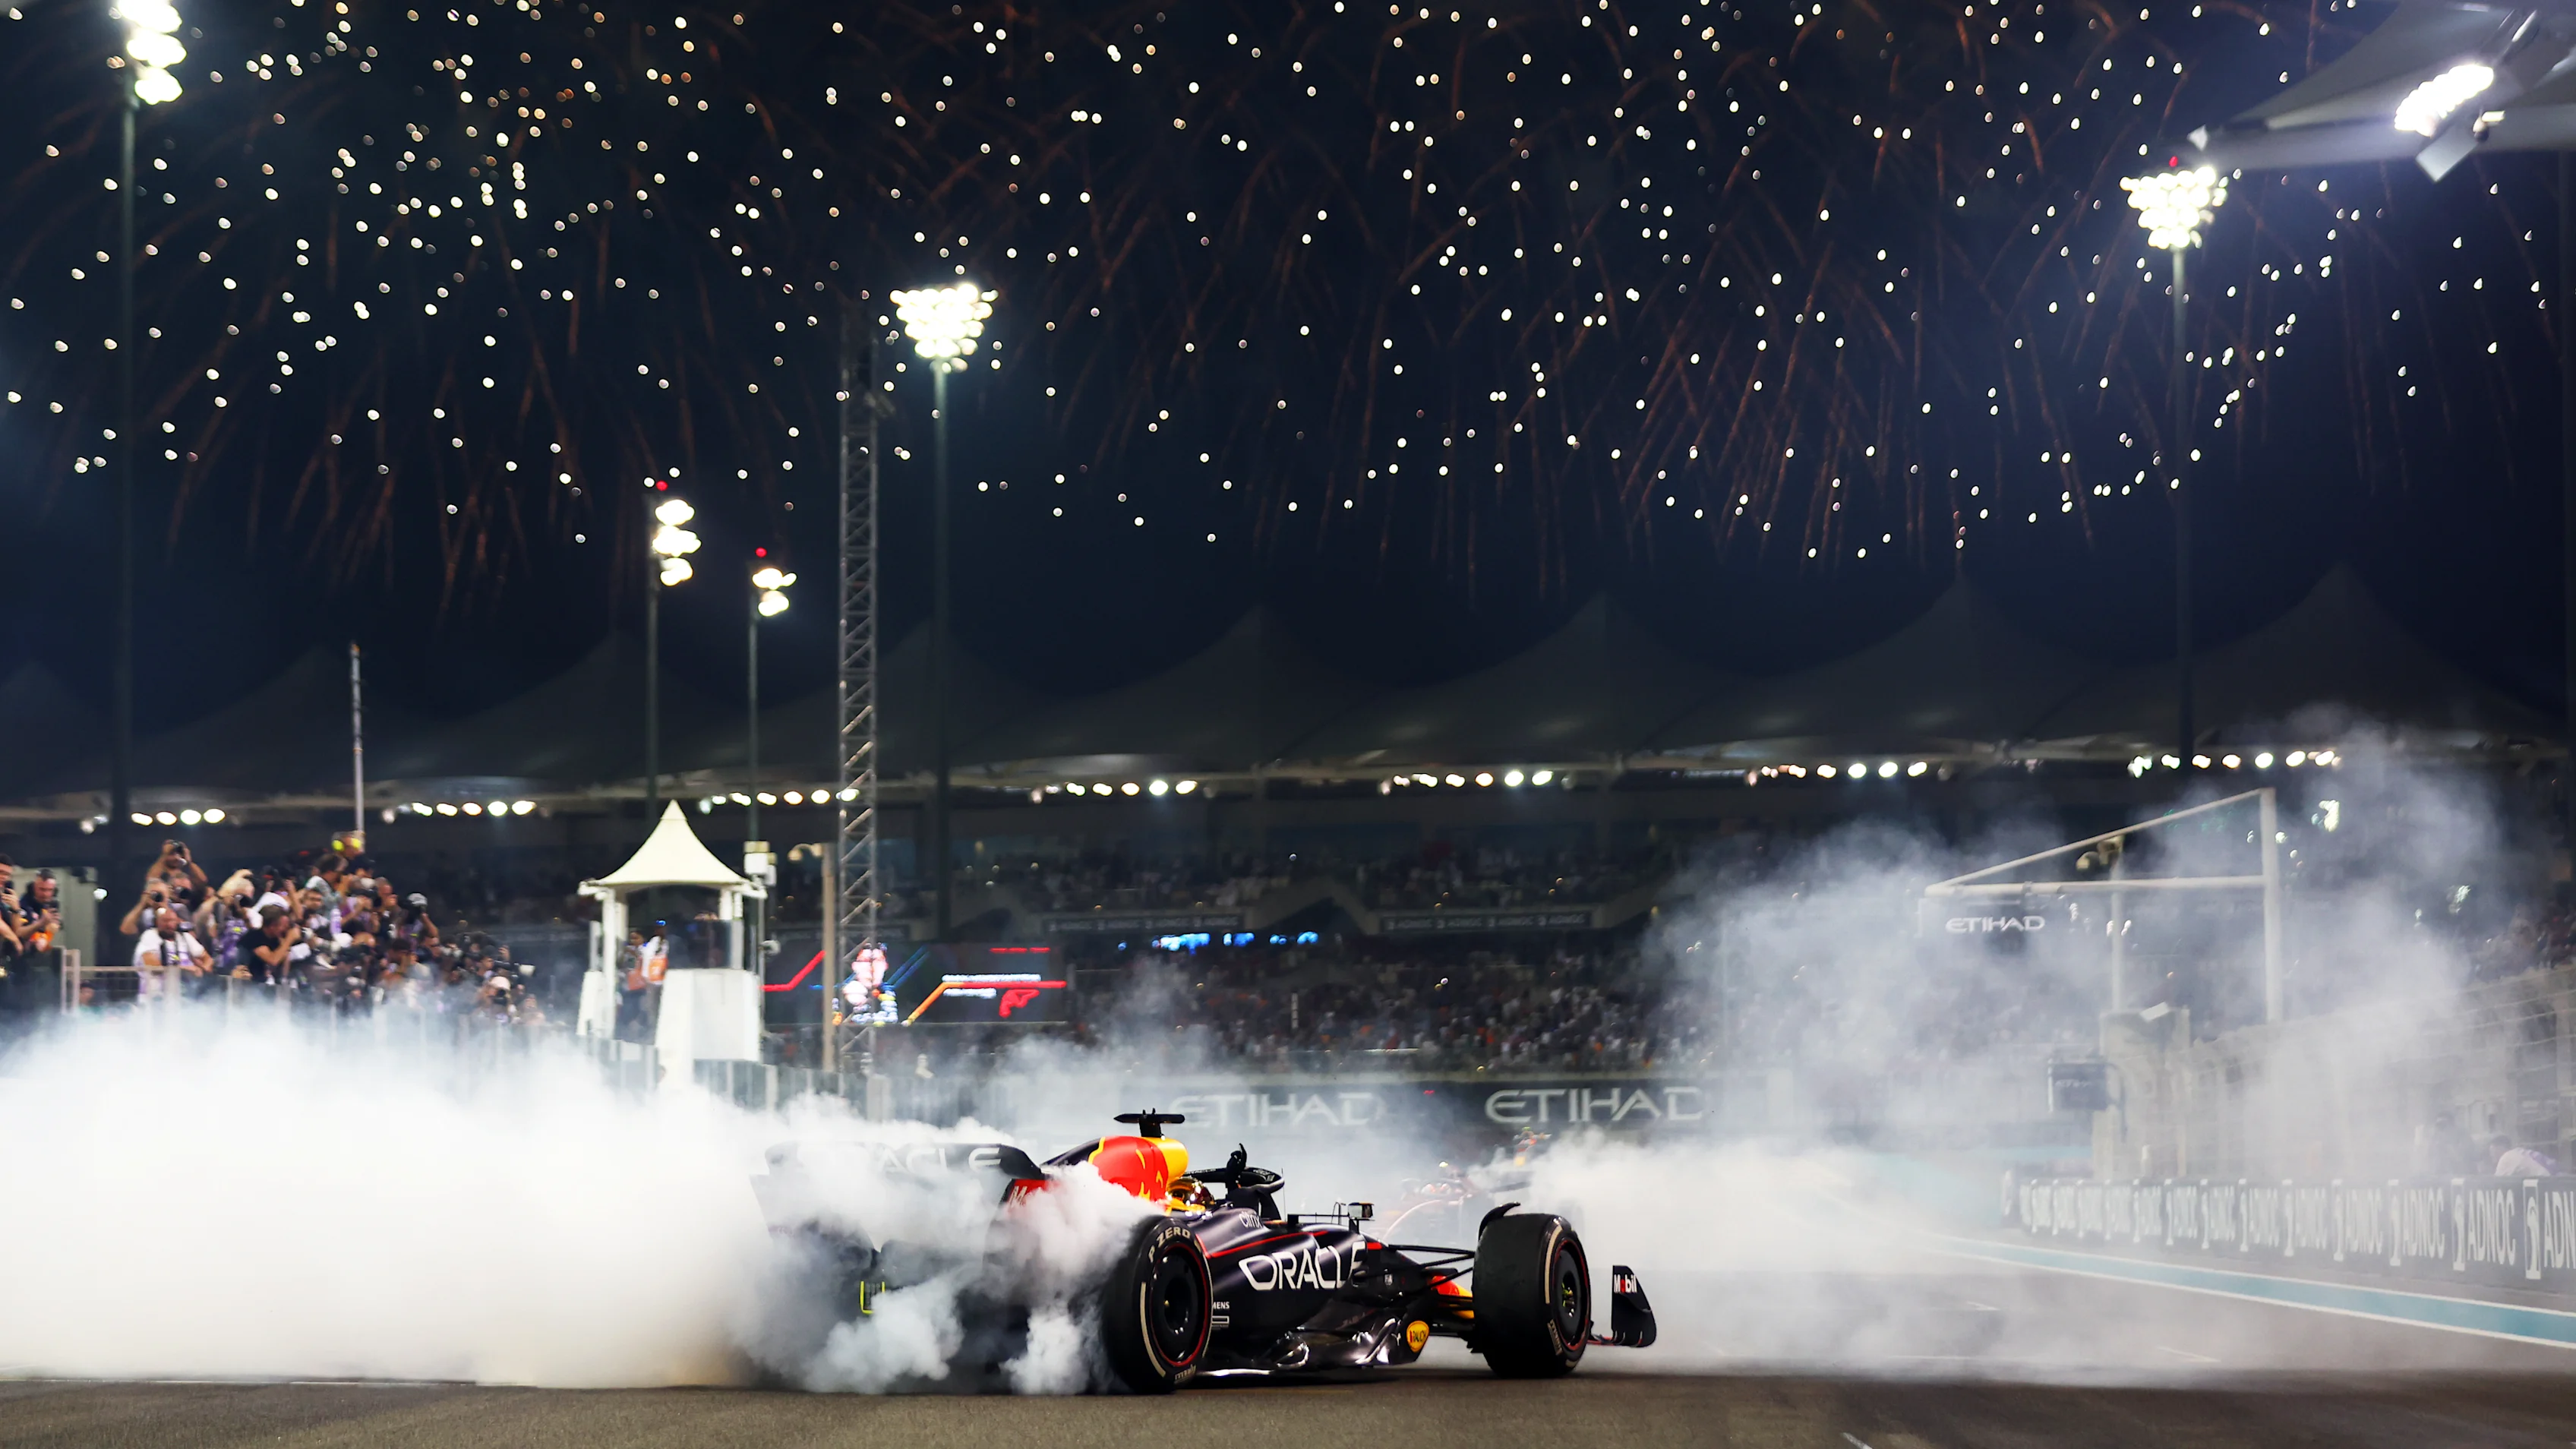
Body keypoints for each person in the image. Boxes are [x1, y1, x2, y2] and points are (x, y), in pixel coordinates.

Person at [132, 905, 211, 999]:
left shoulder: (184, 937)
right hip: (155, 999)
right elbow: (154, 967)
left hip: (183, 998)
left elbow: (207, 959)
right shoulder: (150, 936)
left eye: (172, 921)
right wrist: (184, 970)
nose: (169, 925)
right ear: (157, 922)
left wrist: (203, 969)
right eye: (165, 921)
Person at [2493, 1135, 2562, 1178]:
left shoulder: (2506, 1158)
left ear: (2500, 1148)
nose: (2492, 1155)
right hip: (2549, 1180)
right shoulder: (2517, 1152)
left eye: (2493, 1151)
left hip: (2543, 1185)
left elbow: (2496, 1184)